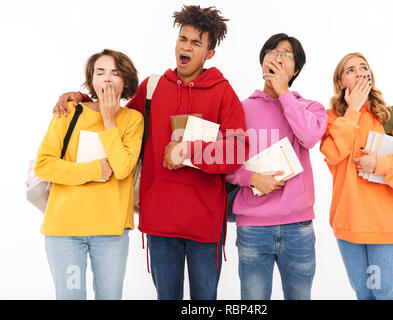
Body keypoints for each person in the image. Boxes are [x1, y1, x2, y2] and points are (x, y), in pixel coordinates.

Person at [52, 5, 248, 300]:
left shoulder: (223, 92)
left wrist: (188, 151)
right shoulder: (154, 87)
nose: (186, 47)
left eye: (196, 42)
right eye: (183, 39)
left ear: (209, 53)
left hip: (205, 224)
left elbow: (237, 149)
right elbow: (117, 120)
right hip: (160, 221)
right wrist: (83, 98)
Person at [34, 49, 143, 299]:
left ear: (125, 81)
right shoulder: (68, 113)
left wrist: (109, 120)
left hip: (111, 232)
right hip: (65, 232)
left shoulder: (132, 120)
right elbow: (44, 165)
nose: (106, 79)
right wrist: (95, 169)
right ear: (91, 80)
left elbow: (124, 168)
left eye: (115, 73)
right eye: (100, 72)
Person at [226, 34, 328, 300]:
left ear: (296, 70)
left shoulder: (310, 108)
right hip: (253, 227)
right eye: (272, 51)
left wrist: (284, 93)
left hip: (298, 227)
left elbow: (308, 137)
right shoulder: (239, 109)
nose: (277, 56)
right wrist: (251, 178)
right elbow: (223, 162)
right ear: (262, 61)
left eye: (286, 54)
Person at [319, 52, 393, 300]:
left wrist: (380, 163)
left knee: (385, 294)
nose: (359, 73)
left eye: (363, 68)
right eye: (350, 70)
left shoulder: (392, 117)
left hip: (386, 227)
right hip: (348, 227)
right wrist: (353, 111)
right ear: (340, 82)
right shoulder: (331, 119)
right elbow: (333, 154)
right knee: (364, 295)